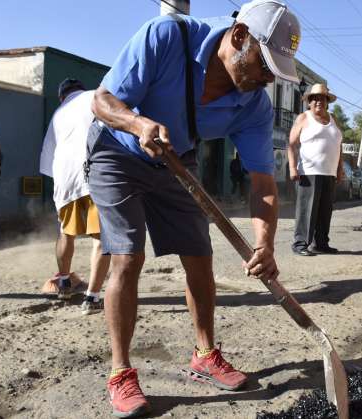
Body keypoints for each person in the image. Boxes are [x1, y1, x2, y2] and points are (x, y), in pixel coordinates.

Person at [87, 1, 300, 416]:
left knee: (200, 256)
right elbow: (102, 101)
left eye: (275, 74)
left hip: (176, 159)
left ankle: (205, 354)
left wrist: (265, 243)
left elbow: (262, 183)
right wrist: (137, 124)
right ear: (239, 37)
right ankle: (120, 372)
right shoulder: (167, 36)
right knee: (128, 256)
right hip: (116, 151)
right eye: (264, 66)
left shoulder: (255, 104)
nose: (266, 80)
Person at [39, 78, 111, 314]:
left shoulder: (58, 113)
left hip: (64, 179)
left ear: (62, 96)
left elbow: (47, 159)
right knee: (101, 238)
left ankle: (63, 283)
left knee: (65, 233)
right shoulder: (95, 95)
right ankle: (91, 298)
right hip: (94, 173)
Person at [288, 83, 344, 256]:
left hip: (329, 172)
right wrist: (292, 167)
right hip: (309, 172)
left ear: (327, 101)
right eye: (315, 99)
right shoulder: (304, 118)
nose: (319, 101)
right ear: (309, 102)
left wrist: (340, 168)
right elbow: (291, 144)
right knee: (307, 210)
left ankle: (321, 243)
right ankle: (300, 244)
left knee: (325, 211)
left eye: (322, 98)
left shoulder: (334, 119)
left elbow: (339, 146)